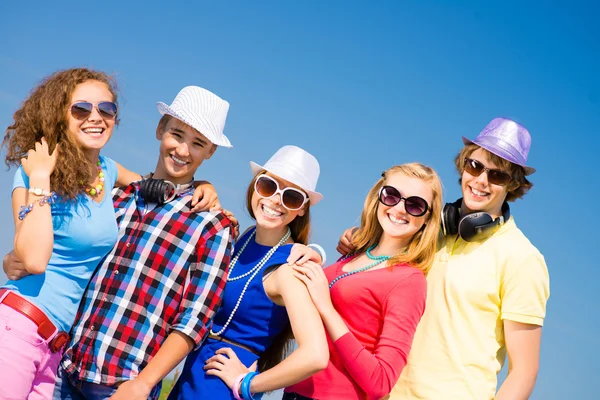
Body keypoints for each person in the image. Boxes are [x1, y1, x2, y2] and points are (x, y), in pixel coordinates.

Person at [338, 118, 550, 399]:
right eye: (474, 166)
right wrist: (358, 239)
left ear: (513, 185)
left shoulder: (523, 259)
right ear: (463, 166)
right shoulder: (424, 227)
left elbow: (524, 371)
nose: (481, 180)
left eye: (497, 175)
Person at [0, 68, 149, 399]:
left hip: (56, 347)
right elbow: (35, 260)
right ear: (59, 116)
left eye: (106, 109)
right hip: (16, 330)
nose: (95, 117)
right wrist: (40, 179)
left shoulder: (107, 170)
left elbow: (154, 186)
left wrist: (205, 189)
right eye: (81, 109)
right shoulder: (34, 172)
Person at [168, 145, 329, 400]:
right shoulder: (244, 238)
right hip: (194, 373)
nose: (275, 200)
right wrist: (206, 185)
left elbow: (316, 355)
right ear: (255, 185)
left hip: (221, 388)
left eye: (292, 197)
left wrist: (248, 384)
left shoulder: (288, 270)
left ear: (302, 209)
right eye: (268, 185)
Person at [281, 162, 442, 400]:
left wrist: (326, 308)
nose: (400, 208)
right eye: (392, 195)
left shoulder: (409, 280)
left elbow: (381, 381)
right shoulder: (354, 253)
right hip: (296, 389)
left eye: (415, 205)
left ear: (428, 218)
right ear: (378, 196)